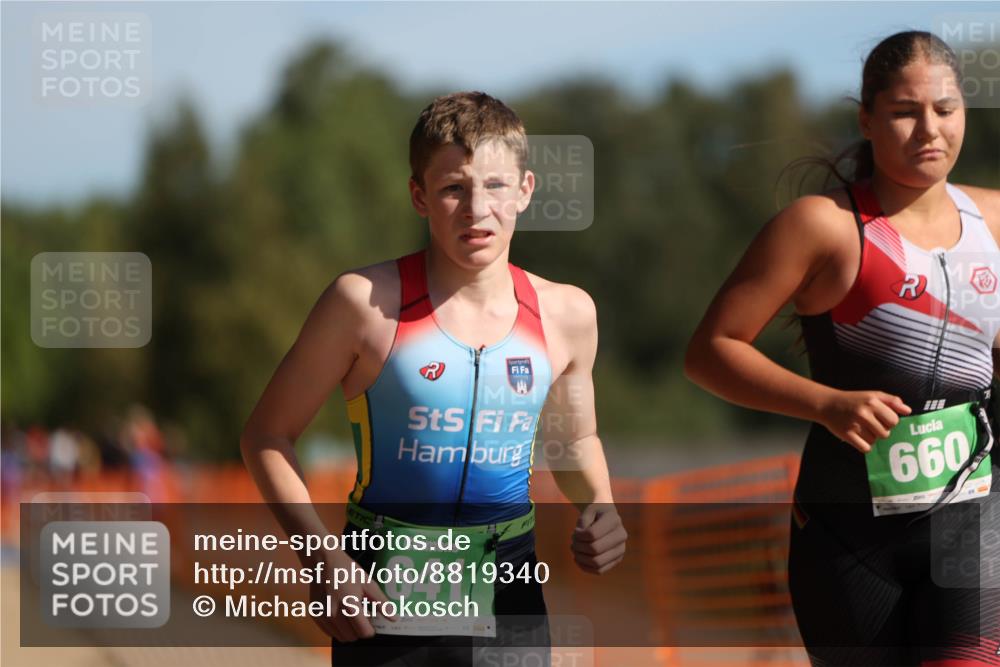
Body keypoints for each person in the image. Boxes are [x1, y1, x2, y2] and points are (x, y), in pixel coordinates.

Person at [241, 91, 626, 666]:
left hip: (510, 590)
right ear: (419, 196)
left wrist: (601, 503)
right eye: (453, 188)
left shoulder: (568, 314)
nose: (477, 209)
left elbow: (573, 442)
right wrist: (323, 560)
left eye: (495, 185)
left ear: (525, 190)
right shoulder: (362, 303)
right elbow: (266, 436)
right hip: (381, 594)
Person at [684, 32, 1000, 666]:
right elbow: (711, 351)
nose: (928, 129)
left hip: (974, 521)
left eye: (945, 109)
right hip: (848, 536)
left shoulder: (994, 219)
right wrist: (827, 404)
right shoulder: (821, 226)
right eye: (904, 112)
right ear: (867, 119)